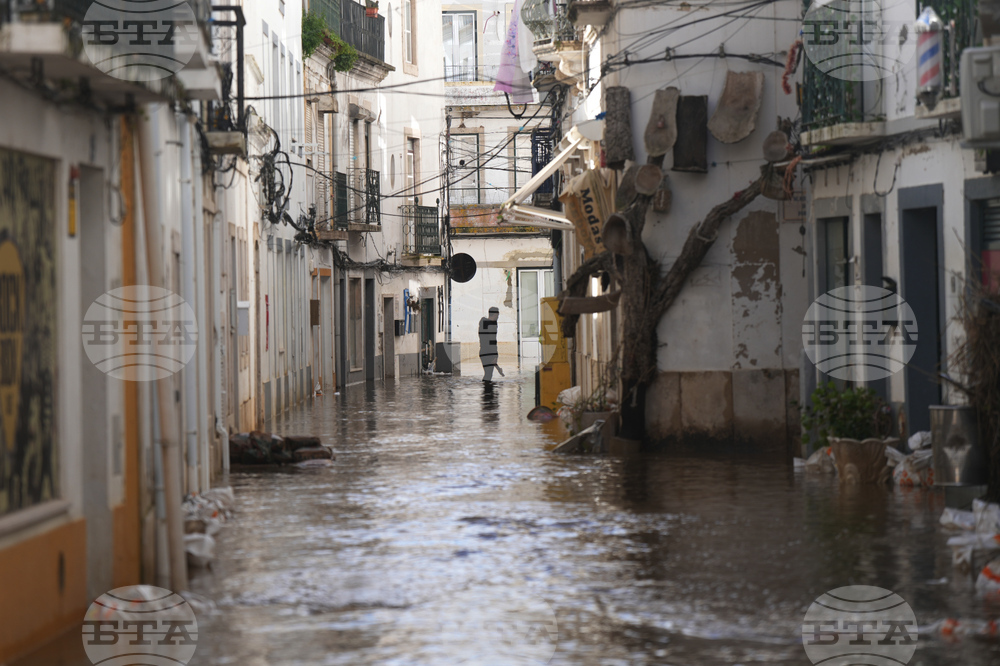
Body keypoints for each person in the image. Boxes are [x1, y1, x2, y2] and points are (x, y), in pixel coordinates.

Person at [478, 306, 505, 381]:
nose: (498, 317)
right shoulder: (492, 325)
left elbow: (487, 340)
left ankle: (486, 387)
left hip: (483, 351)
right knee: (488, 374)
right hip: (489, 352)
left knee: (488, 373)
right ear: (495, 315)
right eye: (498, 315)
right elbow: (492, 340)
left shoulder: (483, 323)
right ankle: (486, 388)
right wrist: (495, 356)